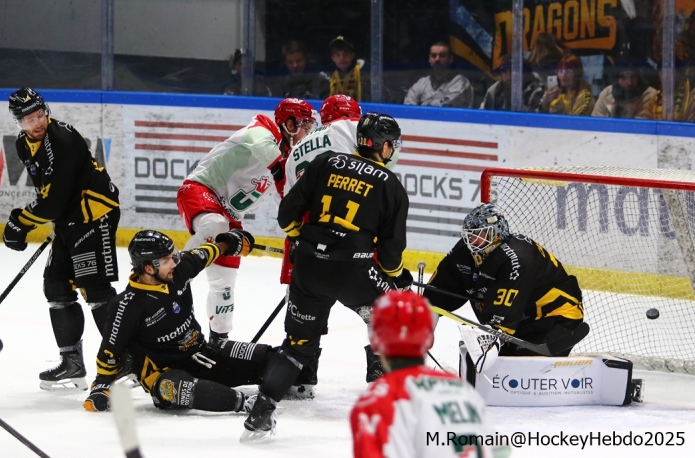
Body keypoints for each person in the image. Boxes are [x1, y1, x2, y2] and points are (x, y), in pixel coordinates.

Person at [242, 112, 412, 439]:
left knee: (296, 347)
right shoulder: (391, 185)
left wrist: (303, 241)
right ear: (384, 146)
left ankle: (260, 412)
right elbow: (391, 256)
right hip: (354, 271)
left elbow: (287, 215)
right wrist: (397, 277)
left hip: (308, 267)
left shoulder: (326, 161)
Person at [83, 229, 280, 418]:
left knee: (275, 359)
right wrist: (101, 386)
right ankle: (246, 404)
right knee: (176, 387)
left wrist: (228, 243)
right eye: (166, 260)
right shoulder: (126, 306)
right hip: (165, 375)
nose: (174, 263)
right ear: (149, 268)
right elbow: (109, 352)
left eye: (173, 256)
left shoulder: (179, 269)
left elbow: (206, 253)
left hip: (205, 354)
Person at [1, 87, 121, 390]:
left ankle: (125, 359)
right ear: (18, 122)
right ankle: (72, 363)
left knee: (94, 288)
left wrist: (20, 222)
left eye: (40, 115)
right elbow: (49, 192)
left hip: (94, 213)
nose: (37, 123)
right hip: (70, 218)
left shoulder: (63, 139)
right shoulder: (23, 145)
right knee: (56, 285)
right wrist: (36, 220)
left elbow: (53, 201)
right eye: (29, 119)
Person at [177, 98, 316, 347]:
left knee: (224, 286)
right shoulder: (262, 128)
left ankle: (218, 342)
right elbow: (262, 147)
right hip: (201, 189)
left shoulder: (289, 160)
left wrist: (301, 235)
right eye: (305, 127)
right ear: (290, 124)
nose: (308, 133)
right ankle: (172, 279)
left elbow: (286, 205)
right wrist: (284, 170)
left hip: (230, 218)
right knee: (215, 226)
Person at [350, 290, 509, 458]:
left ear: (375, 341)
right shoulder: (462, 390)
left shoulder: (373, 402)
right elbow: (499, 451)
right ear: (429, 339)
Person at [278, 94, 363, 399]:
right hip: (350, 235)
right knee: (378, 306)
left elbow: (288, 204)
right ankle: (383, 373)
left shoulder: (296, 149)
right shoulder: (351, 128)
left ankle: (300, 373)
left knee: (303, 310)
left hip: (306, 241)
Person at [425, 203, 585, 357]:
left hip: (555, 317)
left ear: (497, 233)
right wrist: (426, 323)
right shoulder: (464, 252)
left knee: (520, 362)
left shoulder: (517, 259)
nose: (472, 241)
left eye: (480, 234)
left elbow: (502, 320)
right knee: (483, 358)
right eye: (470, 235)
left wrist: (493, 338)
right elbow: (439, 291)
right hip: (520, 321)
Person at [404, 41, 474, 107]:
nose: (437, 59)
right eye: (433, 56)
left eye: (442, 55)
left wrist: (420, 105)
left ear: (450, 59)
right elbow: (408, 106)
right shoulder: (422, 82)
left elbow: (444, 109)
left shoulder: (460, 82)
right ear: (429, 59)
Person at [591, 65, 658, 119]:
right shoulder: (607, 93)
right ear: (617, 79)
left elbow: (640, 127)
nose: (629, 82)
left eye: (633, 77)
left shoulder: (650, 95)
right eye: (624, 78)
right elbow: (595, 122)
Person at [317, 36, 368, 102]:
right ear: (333, 58)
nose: (342, 58)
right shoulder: (325, 77)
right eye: (337, 55)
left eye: (346, 54)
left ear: (352, 55)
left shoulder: (363, 76)